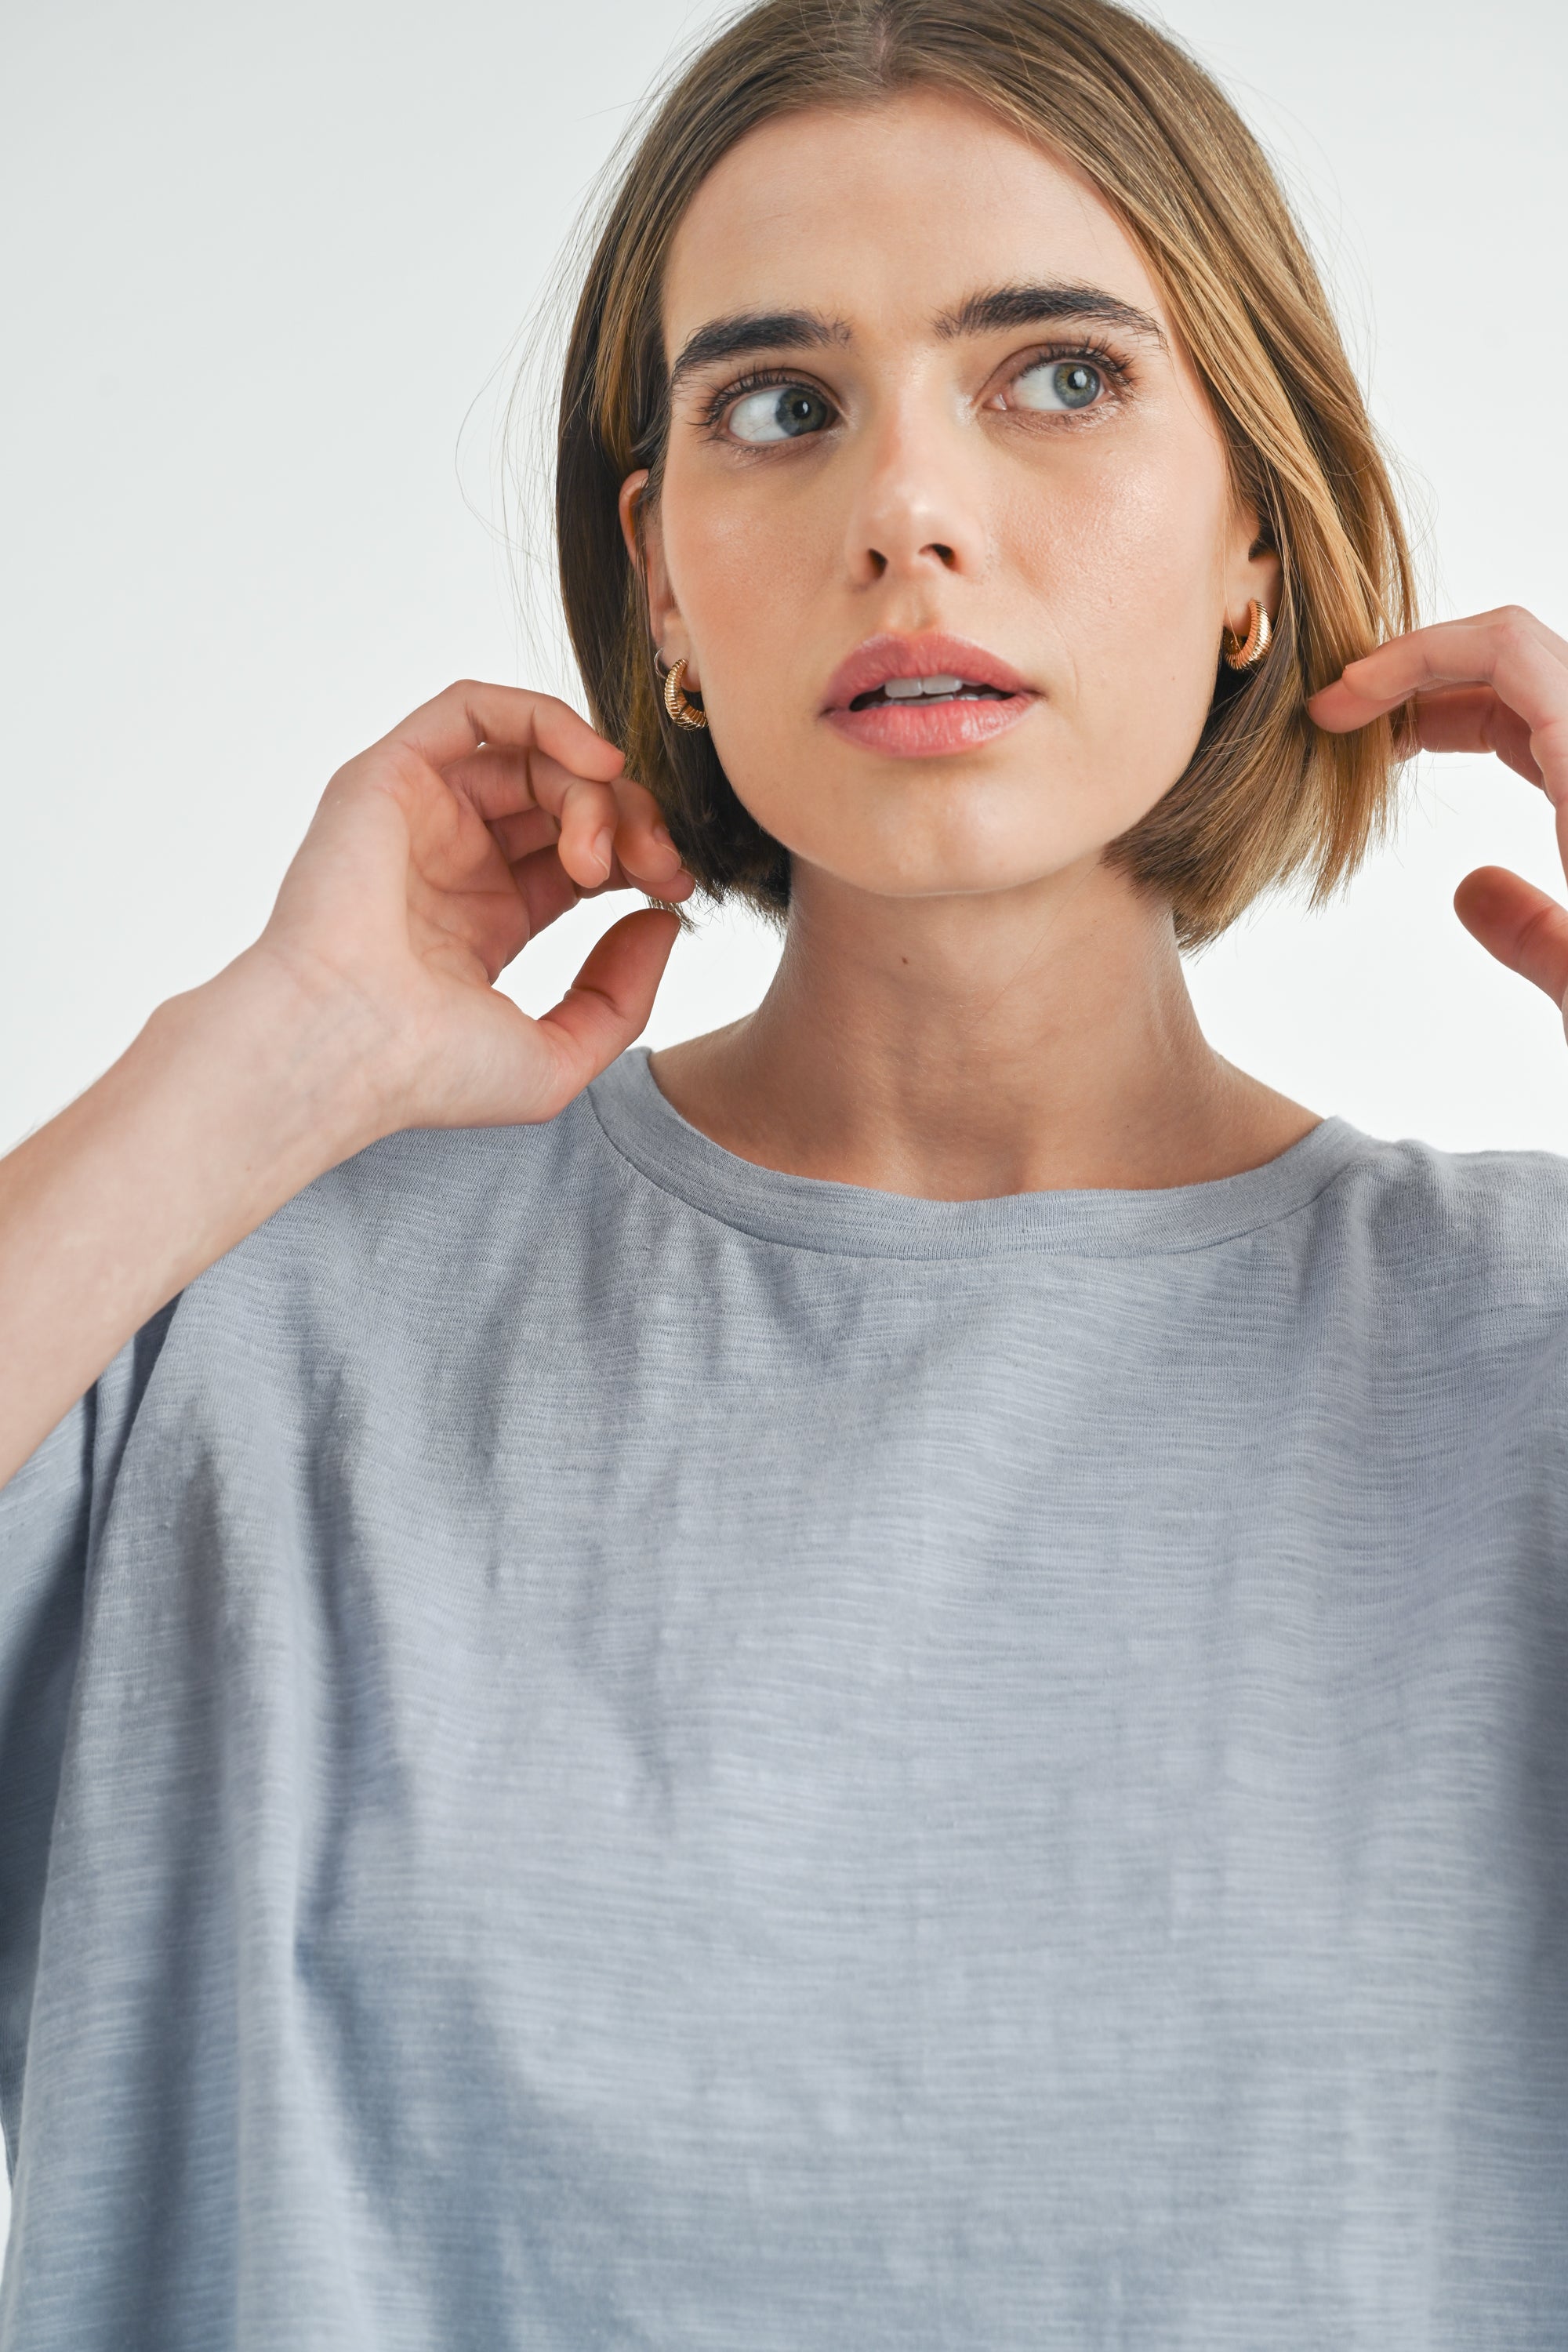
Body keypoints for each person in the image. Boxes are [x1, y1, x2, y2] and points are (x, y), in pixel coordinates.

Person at [2, 0, 1566, 2340]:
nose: (905, 510)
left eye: (1055, 375)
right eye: (780, 405)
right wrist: (256, 1065)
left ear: (1260, 530)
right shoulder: (223, 1317)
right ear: (660, 581)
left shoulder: (1526, 1353)